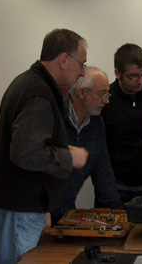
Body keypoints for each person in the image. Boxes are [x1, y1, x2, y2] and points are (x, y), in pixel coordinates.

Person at [0, 28, 90, 264]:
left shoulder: (27, 83)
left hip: (16, 206)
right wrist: (68, 158)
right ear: (63, 60)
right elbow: (26, 153)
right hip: (17, 209)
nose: (82, 72)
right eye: (81, 64)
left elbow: (23, 144)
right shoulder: (39, 93)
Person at [51, 67, 124, 225]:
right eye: (102, 94)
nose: (106, 100)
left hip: (66, 206)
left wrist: (119, 215)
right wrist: (42, 209)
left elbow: (103, 173)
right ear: (82, 93)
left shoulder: (96, 124)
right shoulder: (53, 115)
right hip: (38, 209)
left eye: (107, 94)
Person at [100, 43, 142, 204]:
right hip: (113, 184)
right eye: (133, 76)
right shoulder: (105, 98)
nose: (140, 81)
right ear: (117, 73)